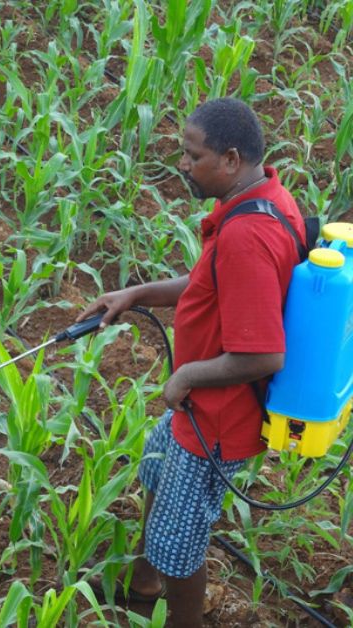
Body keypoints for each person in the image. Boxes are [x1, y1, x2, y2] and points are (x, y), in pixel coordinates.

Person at [77, 98, 304, 627]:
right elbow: (208, 284)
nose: (182, 164)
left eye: (191, 154)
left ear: (228, 159)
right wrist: (134, 294)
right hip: (201, 409)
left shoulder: (248, 235)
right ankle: (143, 583)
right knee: (155, 467)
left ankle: (181, 620)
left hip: (217, 417)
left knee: (179, 543)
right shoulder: (263, 198)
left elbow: (265, 352)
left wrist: (186, 375)